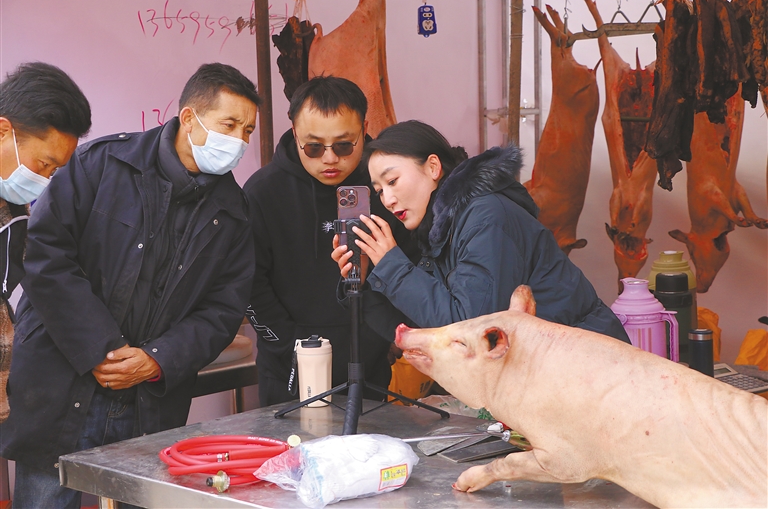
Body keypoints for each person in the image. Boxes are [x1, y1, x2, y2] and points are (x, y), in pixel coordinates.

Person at [0, 62, 258, 508]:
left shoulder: (234, 212)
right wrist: (101, 349)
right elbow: (46, 257)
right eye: (229, 125)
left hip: (149, 398)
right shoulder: (100, 164)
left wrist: (157, 359)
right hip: (61, 381)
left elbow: (222, 311)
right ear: (190, 118)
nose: (239, 141)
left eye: (248, 130)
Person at [332, 120, 630, 342]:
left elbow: (471, 327)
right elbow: (419, 331)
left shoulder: (486, 216)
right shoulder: (440, 228)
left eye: (392, 181)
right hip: (549, 370)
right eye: (379, 190)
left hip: (588, 368)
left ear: (433, 167)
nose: (387, 199)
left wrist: (393, 266)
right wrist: (362, 283)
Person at [244, 76, 413, 407]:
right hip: (289, 370)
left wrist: (389, 334)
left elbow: (413, 260)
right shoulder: (263, 192)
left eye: (344, 145)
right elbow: (250, 285)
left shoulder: (386, 188)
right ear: (295, 133)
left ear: (364, 129)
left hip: (369, 366)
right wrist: (289, 345)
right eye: (314, 147)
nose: (330, 159)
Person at [0, 62, 92, 424]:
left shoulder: (16, 208)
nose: (44, 180)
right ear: (3, 131)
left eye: (54, 171)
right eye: (42, 164)